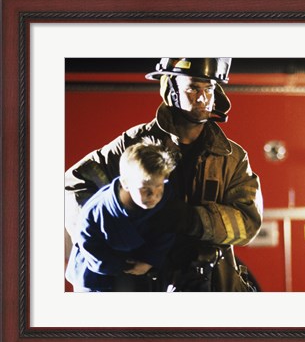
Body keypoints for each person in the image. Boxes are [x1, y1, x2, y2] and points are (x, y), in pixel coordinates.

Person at [65, 58, 263, 292]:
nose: (203, 98)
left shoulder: (232, 158)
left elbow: (248, 223)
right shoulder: (133, 145)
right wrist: (112, 235)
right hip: (141, 283)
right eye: (192, 88)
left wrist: (193, 220)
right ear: (171, 90)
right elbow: (75, 182)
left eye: (209, 89)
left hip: (205, 283)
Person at [65, 140, 177, 292]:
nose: (154, 196)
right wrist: (125, 267)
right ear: (126, 183)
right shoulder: (95, 212)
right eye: (145, 189)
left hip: (139, 271)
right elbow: (92, 251)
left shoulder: (165, 196)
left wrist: (149, 261)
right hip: (95, 278)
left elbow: (167, 230)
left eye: (159, 188)